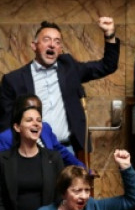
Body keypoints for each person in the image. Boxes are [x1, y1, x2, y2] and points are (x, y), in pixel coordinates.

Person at [0, 18, 119, 153]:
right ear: (34, 45)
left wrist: (109, 35)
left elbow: (107, 66)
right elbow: (5, 125)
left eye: (57, 42)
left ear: (60, 49)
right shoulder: (14, 80)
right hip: (32, 152)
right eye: (46, 40)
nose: (52, 45)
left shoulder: (70, 69)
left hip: (66, 149)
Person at [0, 99, 65, 210]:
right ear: (17, 127)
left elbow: (60, 196)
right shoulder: (3, 160)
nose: (36, 124)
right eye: (29, 120)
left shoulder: (53, 158)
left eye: (39, 120)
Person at [0, 95, 82, 168]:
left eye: (38, 110)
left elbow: (61, 151)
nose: (35, 112)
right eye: (29, 119)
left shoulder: (45, 128)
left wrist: (83, 168)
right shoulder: (6, 137)